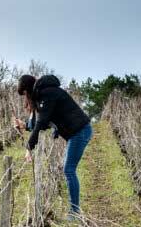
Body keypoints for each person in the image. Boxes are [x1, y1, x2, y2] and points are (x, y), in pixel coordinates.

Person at [13, 74, 92, 219]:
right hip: (75, 133)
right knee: (68, 169)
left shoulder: (48, 93)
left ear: (29, 89)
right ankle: (74, 211)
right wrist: (25, 126)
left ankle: (75, 213)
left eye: (24, 93)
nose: (26, 97)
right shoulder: (43, 94)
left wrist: (29, 148)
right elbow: (41, 120)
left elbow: (41, 122)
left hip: (79, 132)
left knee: (69, 170)